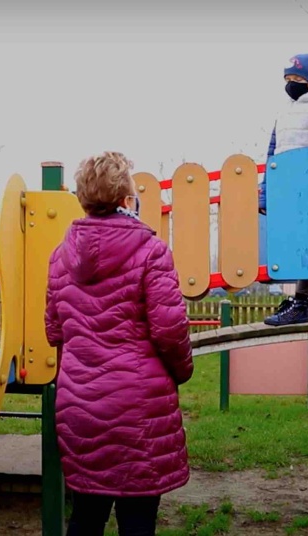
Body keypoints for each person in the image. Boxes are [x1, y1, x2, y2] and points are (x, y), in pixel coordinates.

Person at [44, 152, 194, 536]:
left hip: (79, 405)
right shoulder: (151, 251)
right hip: (138, 407)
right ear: (127, 200)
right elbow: (169, 329)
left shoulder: (60, 258)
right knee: (138, 520)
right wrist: (182, 372)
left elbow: (54, 331)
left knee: (86, 516)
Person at [258, 52, 308, 326]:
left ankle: (301, 301)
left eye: (297, 78)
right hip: (286, 189)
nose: (291, 83)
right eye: (287, 79)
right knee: (300, 243)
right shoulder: (282, 115)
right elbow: (272, 155)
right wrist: (266, 192)